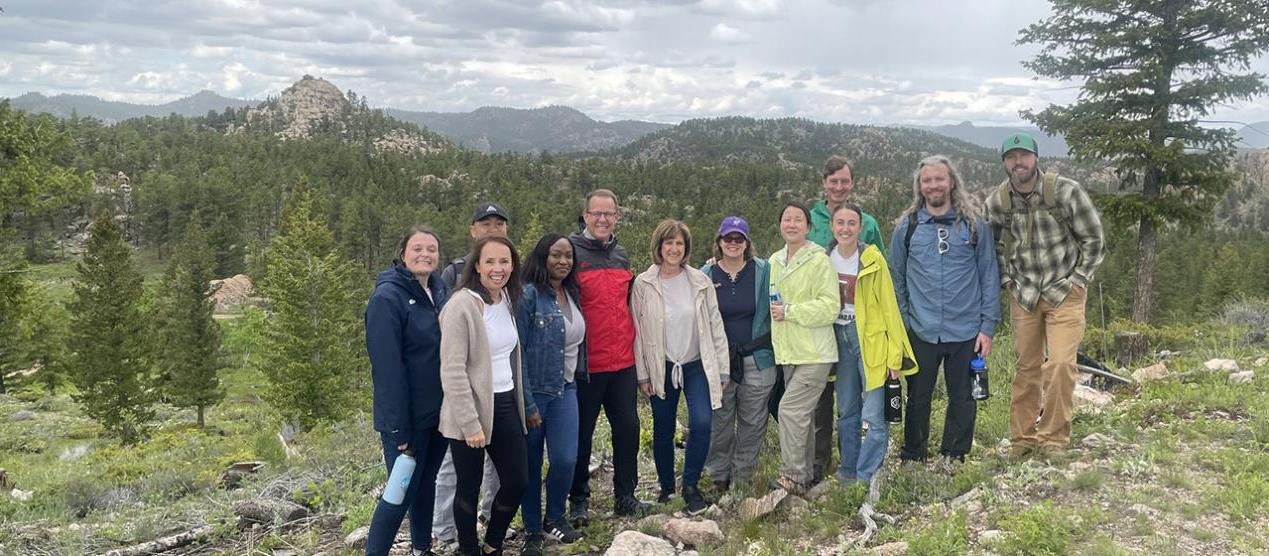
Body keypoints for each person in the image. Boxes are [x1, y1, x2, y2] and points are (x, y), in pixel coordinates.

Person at [985, 132, 1105, 456]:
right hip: (1024, 293)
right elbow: (990, 245)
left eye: (1023, 156)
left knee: (1061, 364)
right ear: (1004, 162)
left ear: (1036, 158)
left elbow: (1094, 239)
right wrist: (1007, 279)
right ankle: (1022, 440)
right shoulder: (998, 200)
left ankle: (1053, 439)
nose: (1018, 162)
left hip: (1065, 288)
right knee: (1028, 369)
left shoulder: (1064, 191)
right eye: (1011, 157)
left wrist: (1079, 279)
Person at [890, 156, 1000, 466]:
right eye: (927, 180)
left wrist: (987, 327)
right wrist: (905, 321)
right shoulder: (907, 228)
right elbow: (895, 276)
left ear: (952, 182)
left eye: (940, 179)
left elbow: (988, 275)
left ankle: (955, 456)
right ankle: (914, 456)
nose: (934, 185)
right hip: (921, 328)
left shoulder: (974, 226)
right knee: (918, 397)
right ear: (920, 186)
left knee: (963, 398)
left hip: (966, 328)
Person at [439, 236, 529, 556]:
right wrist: (470, 422)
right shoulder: (461, 305)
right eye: (490, 261)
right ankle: (468, 549)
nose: (498, 268)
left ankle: (493, 544)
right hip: (470, 409)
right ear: (476, 266)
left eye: (504, 261)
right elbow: (452, 369)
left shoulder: (506, 298)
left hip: (503, 403)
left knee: (518, 480)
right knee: (468, 487)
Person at [364, 226, 451, 556]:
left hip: (437, 412)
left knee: (425, 485)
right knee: (399, 493)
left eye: (431, 248)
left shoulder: (439, 290)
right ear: (403, 254)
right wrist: (398, 426)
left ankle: (421, 548)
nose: (425, 254)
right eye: (417, 248)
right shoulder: (387, 298)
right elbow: (387, 369)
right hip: (405, 419)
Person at [632, 220, 729, 515]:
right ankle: (666, 488)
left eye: (679, 243)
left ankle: (690, 485)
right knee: (663, 429)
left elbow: (715, 325)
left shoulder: (699, 281)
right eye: (668, 243)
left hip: (695, 364)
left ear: (686, 248)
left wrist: (722, 369)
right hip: (661, 365)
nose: (674, 249)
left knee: (701, 423)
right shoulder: (644, 284)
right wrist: (643, 373)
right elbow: (637, 331)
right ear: (659, 247)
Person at [568, 189, 652, 525]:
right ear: (585, 216)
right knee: (581, 435)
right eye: (596, 214)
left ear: (617, 217)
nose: (603, 219)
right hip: (587, 365)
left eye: (609, 214)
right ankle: (578, 501)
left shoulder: (621, 254)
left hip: (622, 364)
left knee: (628, 431)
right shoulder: (571, 252)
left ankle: (625, 496)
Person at [435, 201, 510, 548]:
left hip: (503, 396)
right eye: (485, 222)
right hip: (464, 395)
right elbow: (452, 354)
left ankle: (490, 526)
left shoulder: (508, 285)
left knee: (503, 474)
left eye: (499, 222)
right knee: (460, 472)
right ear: (473, 230)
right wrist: (465, 414)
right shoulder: (455, 278)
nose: (493, 227)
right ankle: (448, 533)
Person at [825, 203, 918, 485]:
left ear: (861, 226)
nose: (845, 228)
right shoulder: (824, 258)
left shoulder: (872, 259)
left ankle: (867, 477)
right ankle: (847, 473)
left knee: (875, 416)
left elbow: (890, 309)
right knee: (847, 412)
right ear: (832, 226)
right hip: (837, 337)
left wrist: (895, 356)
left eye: (851, 223)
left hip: (871, 340)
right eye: (840, 223)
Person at [806, 156, 885, 483]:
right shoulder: (810, 219)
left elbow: (881, 276)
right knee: (826, 401)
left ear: (852, 184)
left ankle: (863, 471)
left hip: (862, 327)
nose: (839, 187)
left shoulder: (867, 223)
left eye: (845, 181)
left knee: (866, 404)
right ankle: (823, 465)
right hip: (825, 326)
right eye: (833, 181)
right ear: (824, 182)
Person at [517, 234, 586, 556]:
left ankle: (554, 515)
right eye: (556, 255)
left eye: (568, 256)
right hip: (535, 393)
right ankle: (532, 528)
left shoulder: (572, 292)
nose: (563, 261)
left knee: (565, 459)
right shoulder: (529, 295)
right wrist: (527, 401)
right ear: (542, 257)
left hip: (566, 389)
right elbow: (518, 351)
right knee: (530, 464)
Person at [769, 202, 840, 494]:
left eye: (799, 220)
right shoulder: (773, 261)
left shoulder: (819, 260)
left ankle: (793, 477)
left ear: (808, 227)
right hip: (788, 353)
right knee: (803, 417)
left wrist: (790, 310)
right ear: (781, 225)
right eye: (787, 219)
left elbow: (830, 307)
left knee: (789, 410)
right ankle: (810, 473)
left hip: (815, 353)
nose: (792, 224)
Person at [701, 216, 776, 492]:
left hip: (758, 358)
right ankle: (717, 476)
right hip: (720, 363)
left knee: (753, 423)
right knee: (719, 421)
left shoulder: (764, 270)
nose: (733, 243)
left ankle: (742, 479)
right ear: (719, 242)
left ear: (747, 243)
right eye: (728, 238)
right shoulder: (706, 275)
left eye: (739, 239)